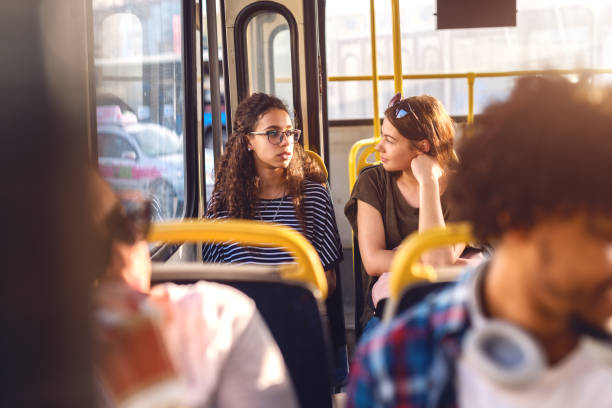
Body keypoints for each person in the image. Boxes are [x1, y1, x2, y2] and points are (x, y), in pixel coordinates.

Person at [346, 76, 612, 408]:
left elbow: (436, 257)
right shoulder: (396, 364)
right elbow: (395, 259)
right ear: (513, 219)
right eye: (596, 232)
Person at [90, 172, 299, 407]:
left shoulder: (223, 318)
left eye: (128, 226)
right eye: (91, 256)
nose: (122, 259)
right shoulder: (222, 316)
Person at [344, 93, 465, 329]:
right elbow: (373, 261)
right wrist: (429, 258)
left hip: (446, 303)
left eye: (389, 140)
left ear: (421, 148)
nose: (379, 146)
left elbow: (438, 262)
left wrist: (428, 181)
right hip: (389, 310)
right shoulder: (373, 182)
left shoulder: (462, 187)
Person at [203, 93, 343, 294]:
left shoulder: (313, 198)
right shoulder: (222, 206)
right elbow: (213, 283)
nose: (285, 142)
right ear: (248, 141)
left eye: (289, 133)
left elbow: (328, 279)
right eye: (272, 133)